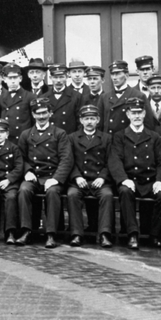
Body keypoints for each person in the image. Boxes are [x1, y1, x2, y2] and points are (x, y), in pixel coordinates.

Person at [108, 97, 161, 250]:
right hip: (130, 179)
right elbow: (115, 160)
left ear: (144, 114)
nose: (137, 116)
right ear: (128, 115)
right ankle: (132, 234)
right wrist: (123, 179)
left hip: (150, 180)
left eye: (139, 112)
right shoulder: (120, 136)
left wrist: (159, 180)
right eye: (133, 113)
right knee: (125, 191)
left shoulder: (154, 136)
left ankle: (154, 235)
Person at [17, 96, 73, 247]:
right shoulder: (26, 134)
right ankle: (26, 231)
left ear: (50, 113)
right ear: (33, 114)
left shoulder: (59, 133)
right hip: (34, 175)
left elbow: (66, 159)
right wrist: (27, 171)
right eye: (38, 113)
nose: (41, 116)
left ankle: (51, 234)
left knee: (53, 192)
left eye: (44, 113)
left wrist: (56, 178)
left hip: (52, 176)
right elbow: (20, 158)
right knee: (24, 190)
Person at [65, 104, 115, 248]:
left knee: (107, 195)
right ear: (81, 120)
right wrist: (77, 177)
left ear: (98, 120)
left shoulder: (106, 138)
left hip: (99, 180)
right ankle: (76, 234)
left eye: (92, 118)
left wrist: (102, 177)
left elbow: (111, 161)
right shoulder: (72, 138)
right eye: (86, 119)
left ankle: (104, 234)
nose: (89, 122)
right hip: (79, 180)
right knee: (72, 194)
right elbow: (68, 161)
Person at [0, 63, 33, 141]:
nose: (13, 81)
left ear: (20, 78)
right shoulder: (0, 98)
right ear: (4, 79)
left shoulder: (29, 97)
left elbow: (34, 121)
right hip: (6, 140)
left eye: (15, 77)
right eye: (10, 78)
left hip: (23, 139)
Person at [46, 63, 80, 133]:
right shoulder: (44, 97)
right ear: (50, 78)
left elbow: (80, 122)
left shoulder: (76, 96)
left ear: (67, 77)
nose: (58, 80)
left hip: (68, 136)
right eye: (55, 77)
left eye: (61, 77)